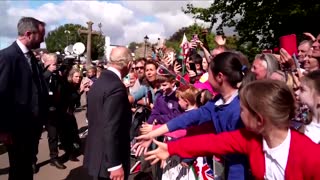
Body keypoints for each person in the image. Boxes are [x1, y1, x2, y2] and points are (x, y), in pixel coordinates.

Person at [145, 80, 320, 180]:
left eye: (242, 110)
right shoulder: (251, 139)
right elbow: (213, 142)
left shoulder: (312, 156)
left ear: (259, 119)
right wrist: (171, 149)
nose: (237, 113)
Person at [0, 17, 47, 180]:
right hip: (16, 129)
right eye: (41, 35)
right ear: (28, 34)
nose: (43, 39)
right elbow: (2, 95)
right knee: (19, 169)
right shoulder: (7, 57)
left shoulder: (32, 58)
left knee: (26, 167)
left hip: (32, 127)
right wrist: (3, 129)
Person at [84, 47, 133, 180]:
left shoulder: (98, 83)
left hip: (97, 155)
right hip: (109, 162)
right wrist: (115, 165)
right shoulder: (116, 87)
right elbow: (111, 127)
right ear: (128, 65)